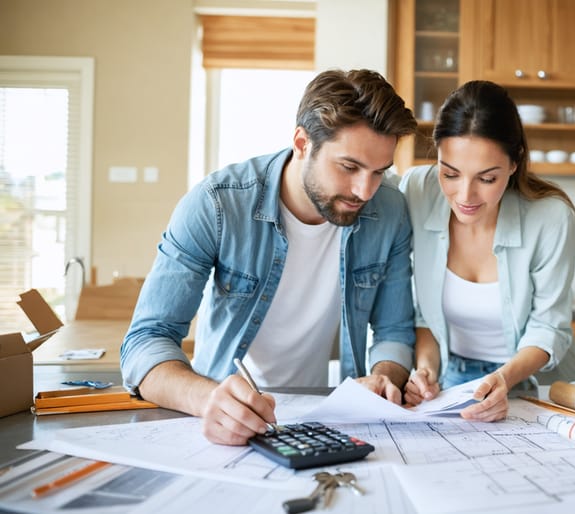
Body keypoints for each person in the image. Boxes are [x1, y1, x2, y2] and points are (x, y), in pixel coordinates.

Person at [120, 69, 418, 445]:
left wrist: (383, 380)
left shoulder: (389, 210)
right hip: (221, 417)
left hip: (327, 417)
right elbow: (146, 340)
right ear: (302, 142)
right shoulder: (217, 203)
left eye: (379, 172)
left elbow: (394, 331)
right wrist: (208, 399)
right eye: (349, 167)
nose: (364, 190)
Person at [399, 80, 575, 422]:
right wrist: (425, 371)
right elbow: (425, 315)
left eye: (486, 179)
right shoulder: (417, 190)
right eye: (450, 174)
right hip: (454, 381)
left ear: (514, 163)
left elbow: (549, 326)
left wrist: (504, 378)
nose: (465, 196)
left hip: (539, 385)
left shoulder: (551, 216)